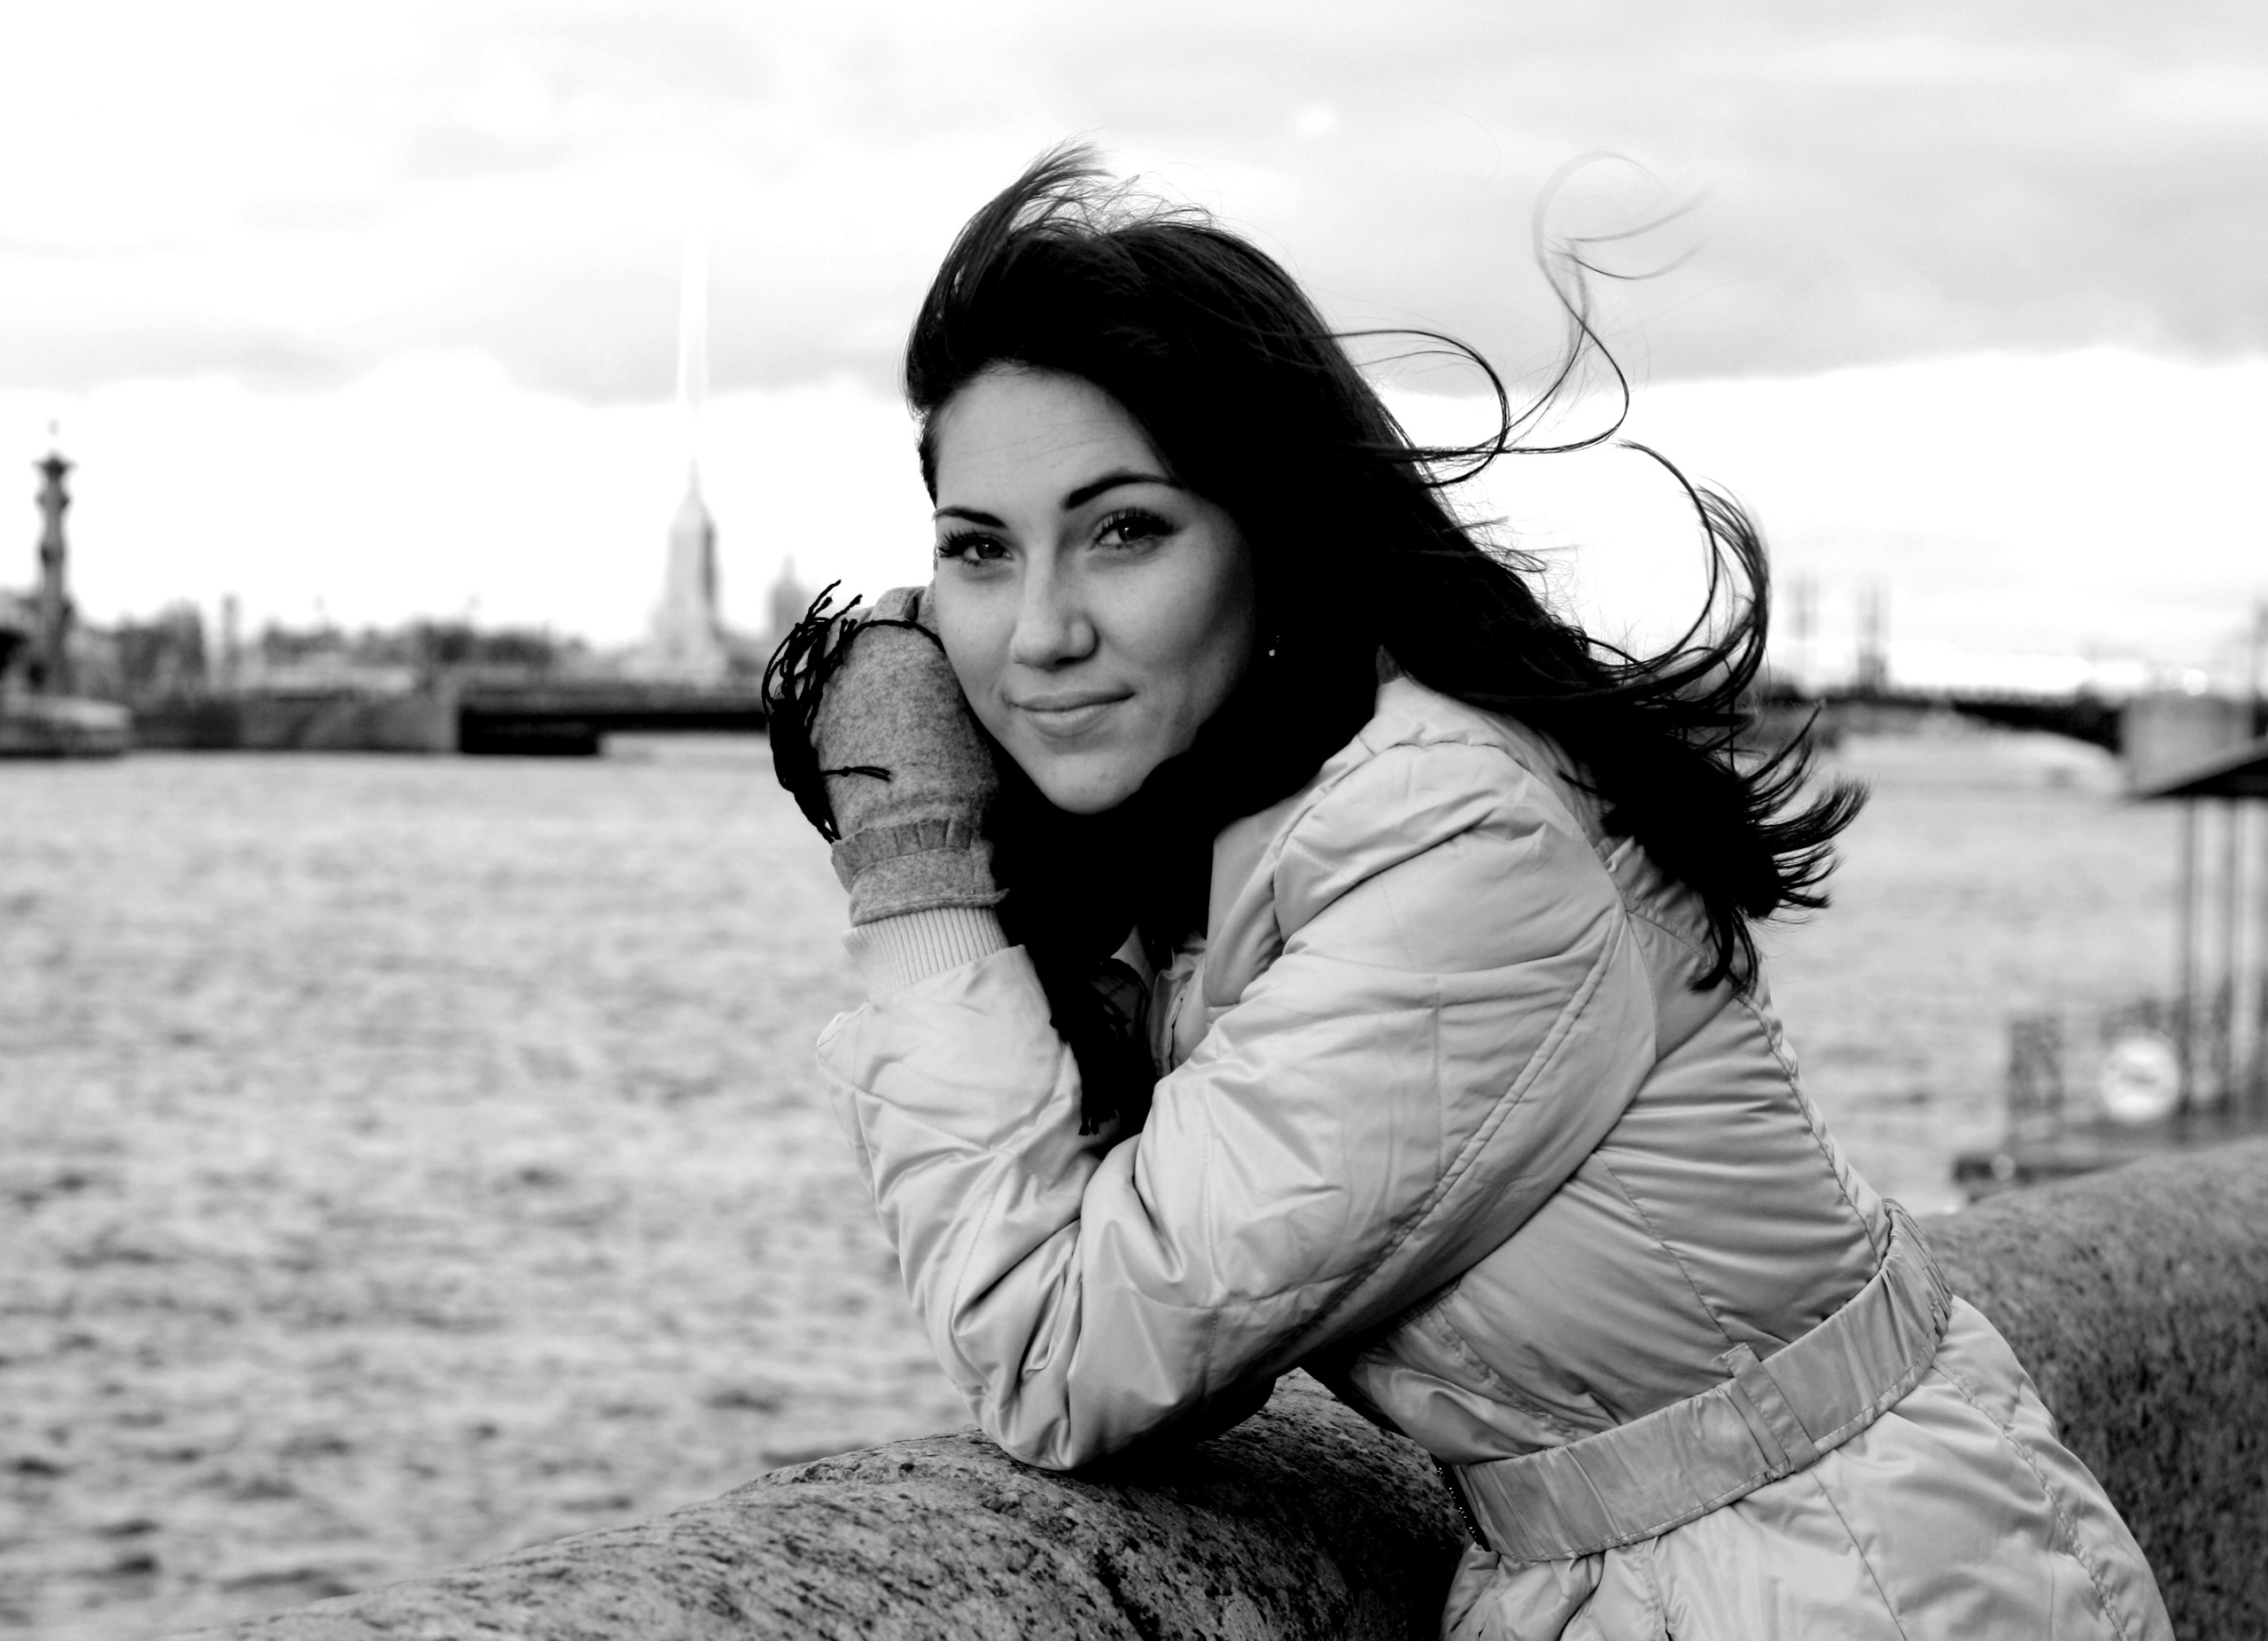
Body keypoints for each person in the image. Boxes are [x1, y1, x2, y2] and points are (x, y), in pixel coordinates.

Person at [763, 146, 2171, 1641]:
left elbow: (1061, 1352)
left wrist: (915, 865)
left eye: (1126, 530)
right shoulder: (1278, 825)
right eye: (979, 551)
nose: (1040, 629)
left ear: (1271, 538)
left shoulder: (1454, 842)